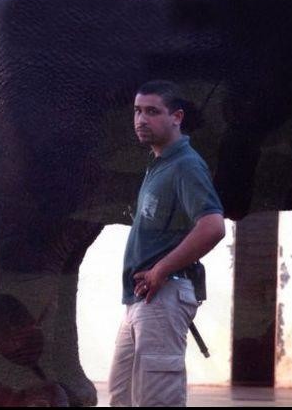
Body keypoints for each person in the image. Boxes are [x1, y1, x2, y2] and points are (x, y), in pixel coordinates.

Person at [108, 80, 225, 406]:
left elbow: (213, 226)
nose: (141, 120)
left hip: (164, 294)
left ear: (177, 117)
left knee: (156, 401)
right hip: (140, 300)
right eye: (137, 111)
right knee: (121, 397)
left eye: (152, 112)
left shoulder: (186, 165)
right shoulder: (159, 165)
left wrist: (160, 269)